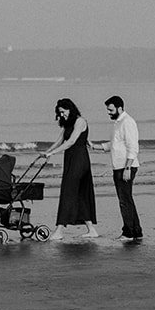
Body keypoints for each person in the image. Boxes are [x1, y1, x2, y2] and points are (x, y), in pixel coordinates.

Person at [41, 97, 98, 241]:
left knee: (68, 192)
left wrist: (53, 153)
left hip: (79, 159)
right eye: (59, 113)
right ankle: (91, 230)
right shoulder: (68, 123)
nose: (62, 115)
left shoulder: (80, 121)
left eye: (63, 112)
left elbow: (72, 141)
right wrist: (47, 152)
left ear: (70, 109)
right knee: (79, 194)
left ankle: (59, 230)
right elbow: (60, 140)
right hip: (71, 159)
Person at [105, 95, 143, 242]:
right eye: (108, 110)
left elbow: (133, 147)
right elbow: (114, 144)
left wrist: (127, 168)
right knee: (127, 199)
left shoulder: (128, 122)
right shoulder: (118, 123)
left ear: (120, 108)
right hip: (119, 166)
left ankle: (128, 232)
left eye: (111, 110)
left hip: (126, 167)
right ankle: (136, 231)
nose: (109, 113)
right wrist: (96, 146)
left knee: (124, 200)